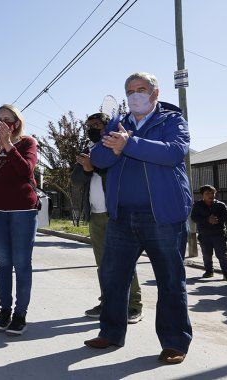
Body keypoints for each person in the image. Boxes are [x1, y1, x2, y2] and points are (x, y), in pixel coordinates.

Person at [84, 72, 193, 365]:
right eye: (130, 90)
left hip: (163, 217)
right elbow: (100, 159)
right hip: (122, 216)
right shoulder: (119, 123)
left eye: (141, 89)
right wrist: (114, 141)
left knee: (170, 282)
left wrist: (129, 144)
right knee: (113, 278)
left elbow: (174, 153)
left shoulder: (171, 121)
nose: (136, 95)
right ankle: (110, 332)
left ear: (155, 94)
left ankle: (174, 343)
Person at [71, 113, 143, 323]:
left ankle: (133, 305)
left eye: (97, 124)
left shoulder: (117, 146)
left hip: (116, 214)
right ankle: (107, 302)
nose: (92, 129)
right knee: (103, 264)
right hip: (95, 216)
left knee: (124, 263)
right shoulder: (89, 150)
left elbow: (119, 174)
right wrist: (86, 169)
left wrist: (95, 167)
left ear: (108, 125)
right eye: (89, 126)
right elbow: (76, 179)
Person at [0, 105, 38, 336]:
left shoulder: (27, 143)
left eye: (8, 119)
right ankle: (5, 311)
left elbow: (26, 170)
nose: (3, 123)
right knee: (3, 263)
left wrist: (9, 145)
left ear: (17, 123)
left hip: (23, 211)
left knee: (22, 263)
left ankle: (20, 314)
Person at [191, 185, 227, 281]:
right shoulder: (198, 205)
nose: (210, 195)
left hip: (219, 234)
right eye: (207, 193)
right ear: (202, 195)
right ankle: (209, 271)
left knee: (222, 254)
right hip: (204, 234)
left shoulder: (220, 205)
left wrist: (217, 220)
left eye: (212, 193)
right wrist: (207, 220)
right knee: (206, 254)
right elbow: (194, 218)